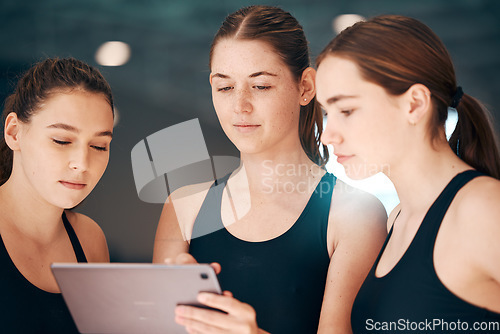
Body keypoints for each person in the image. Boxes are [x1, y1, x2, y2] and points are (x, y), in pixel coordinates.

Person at [153, 5, 387, 334]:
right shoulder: (183, 207)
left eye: (261, 86)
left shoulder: (354, 214)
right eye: (224, 87)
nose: (240, 106)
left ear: (306, 87)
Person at [315, 14, 500, 334]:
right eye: (327, 113)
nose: (328, 135)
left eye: (345, 110)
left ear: (414, 104)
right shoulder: (398, 218)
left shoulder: (482, 209)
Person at [0, 57, 114, 333]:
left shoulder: (90, 240)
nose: (82, 163)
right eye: (62, 141)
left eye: (99, 146)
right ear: (14, 132)